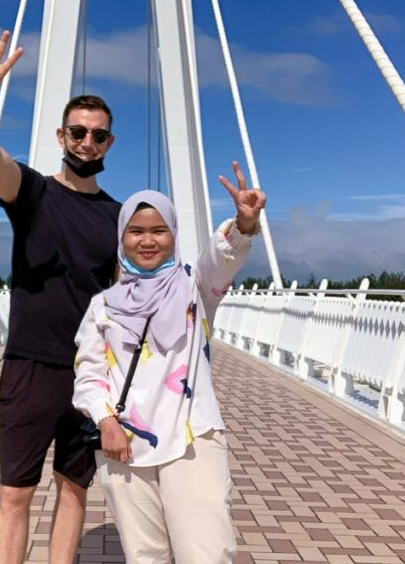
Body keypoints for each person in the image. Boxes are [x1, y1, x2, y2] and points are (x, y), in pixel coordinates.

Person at [0, 30, 123, 564]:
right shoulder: (31, 193)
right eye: (77, 132)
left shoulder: (118, 216)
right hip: (31, 365)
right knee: (16, 492)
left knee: (74, 488)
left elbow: (129, 294)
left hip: (89, 372)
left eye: (97, 136)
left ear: (109, 144)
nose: (86, 143)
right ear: (61, 135)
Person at [72, 162, 265, 563]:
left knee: (207, 552)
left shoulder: (196, 287)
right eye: (136, 231)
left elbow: (223, 259)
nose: (148, 241)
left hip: (193, 438)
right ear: (121, 237)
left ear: (173, 235)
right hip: (123, 444)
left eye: (159, 230)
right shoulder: (102, 307)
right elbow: (88, 373)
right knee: (145, 556)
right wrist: (106, 421)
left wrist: (243, 225)